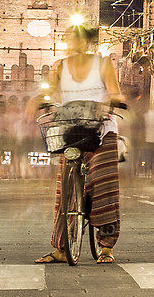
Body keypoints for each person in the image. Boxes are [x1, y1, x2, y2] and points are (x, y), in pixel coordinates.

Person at [29, 23, 126, 263]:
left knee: (103, 183)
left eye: (74, 38)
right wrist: (38, 100)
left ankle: (106, 246)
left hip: (101, 128)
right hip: (71, 127)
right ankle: (62, 247)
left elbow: (116, 92)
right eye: (67, 38)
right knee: (65, 186)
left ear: (86, 42)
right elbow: (48, 91)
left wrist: (109, 102)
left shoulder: (103, 65)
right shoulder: (59, 67)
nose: (70, 43)